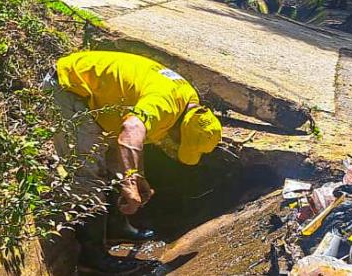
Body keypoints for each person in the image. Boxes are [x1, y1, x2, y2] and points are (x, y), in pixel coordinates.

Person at [42, 50, 223, 274]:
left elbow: (133, 140)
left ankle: (116, 228)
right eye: (179, 144)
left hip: (100, 97)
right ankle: (92, 257)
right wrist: (130, 181)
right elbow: (131, 129)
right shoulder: (165, 105)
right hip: (70, 88)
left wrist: (139, 176)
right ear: (180, 130)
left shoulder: (188, 104)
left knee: (114, 163)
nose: (174, 148)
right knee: (87, 173)